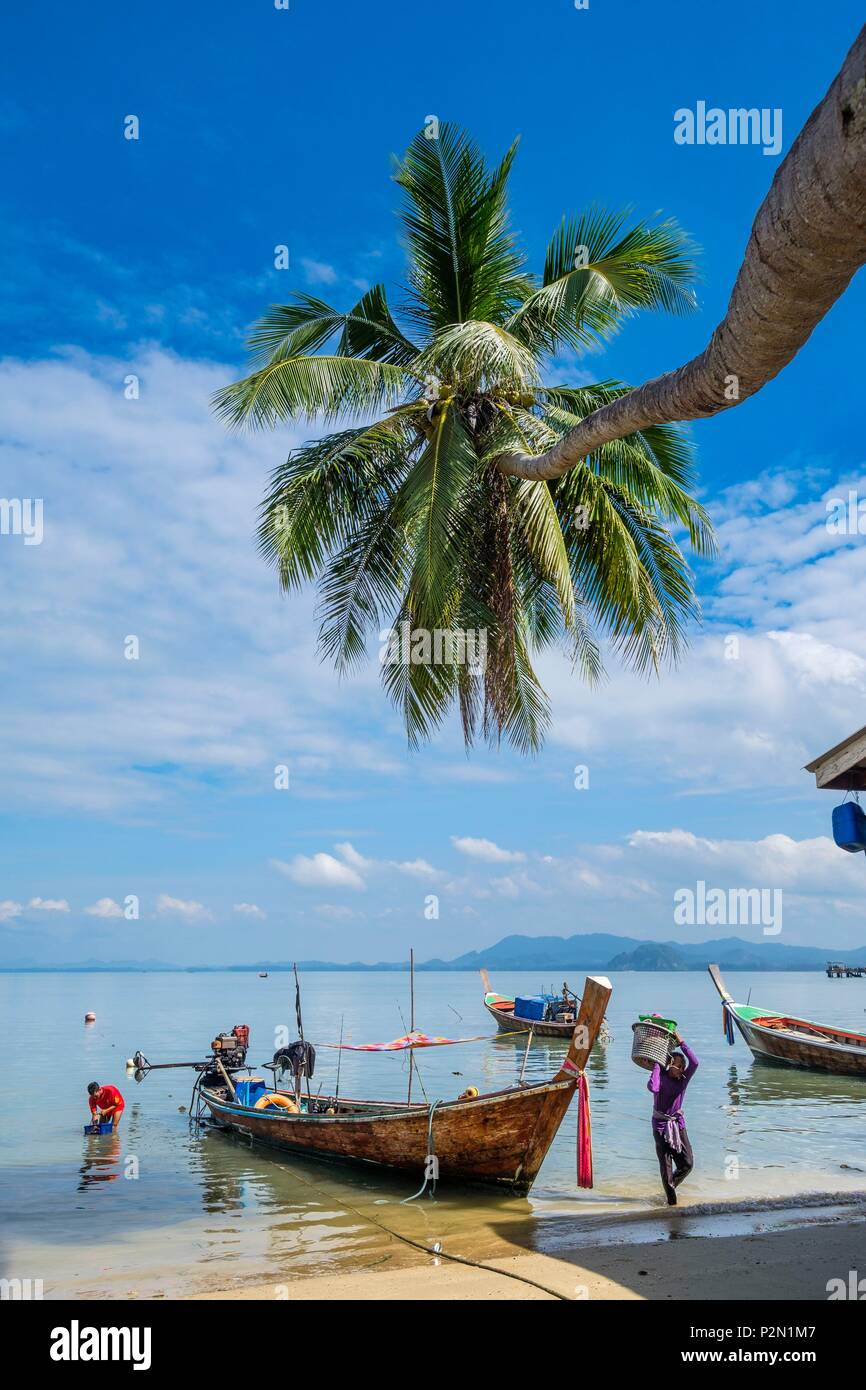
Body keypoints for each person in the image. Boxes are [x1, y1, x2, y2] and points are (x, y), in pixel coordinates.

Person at [647, 1032, 698, 1205]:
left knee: (687, 1164)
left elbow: (695, 1062)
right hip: (660, 1128)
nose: (677, 1068)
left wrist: (682, 1041)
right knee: (666, 1171)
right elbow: (653, 1088)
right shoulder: (660, 1076)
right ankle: (672, 1206)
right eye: (674, 1064)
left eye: (680, 1066)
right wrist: (656, 1066)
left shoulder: (682, 1081)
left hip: (677, 1126)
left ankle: (669, 1191)